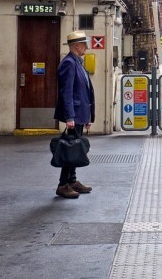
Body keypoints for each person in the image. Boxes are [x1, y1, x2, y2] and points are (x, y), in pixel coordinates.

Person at [53, 31, 95, 199]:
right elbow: (67, 92)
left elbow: (84, 91)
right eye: (84, 44)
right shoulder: (69, 63)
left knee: (75, 148)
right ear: (76, 46)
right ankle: (63, 185)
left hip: (80, 114)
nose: (86, 46)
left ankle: (72, 180)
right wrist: (70, 117)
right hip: (74, 114)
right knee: (70, 150)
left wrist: (87, 117)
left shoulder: (78, 62)